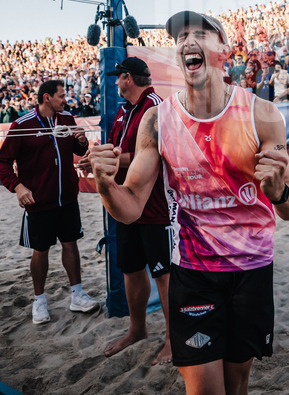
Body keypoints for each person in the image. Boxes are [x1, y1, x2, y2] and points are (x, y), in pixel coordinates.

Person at [89, 11, 289, 395]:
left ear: (223, 50)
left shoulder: (262, 114)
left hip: (251, 271)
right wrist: (105, 185)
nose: (188, 40)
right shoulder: (158, 120)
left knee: (237, 383)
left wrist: (279, 193)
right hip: (193, 273)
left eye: (200, 33)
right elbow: (133, 205)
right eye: (181, 35)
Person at [87, 57, 172, 365]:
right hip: (126, 202)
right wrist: (97, 157)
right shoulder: (125, 111)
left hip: (155, 207)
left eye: (118, 77)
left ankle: (172, 339)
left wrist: (106, 159)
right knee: (132, 269)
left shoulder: (156, 107)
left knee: (165, 275)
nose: (115, 83)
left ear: (128, 78)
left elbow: (153, 155)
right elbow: (117, 152)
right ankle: (138, 330)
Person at [0, 79, 99, 325]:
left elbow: (75, 148)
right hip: (38, 201)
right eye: (61, 96)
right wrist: (18, 187)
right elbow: (2, 162)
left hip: (67, 198)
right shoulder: (22, 125)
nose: (66, 100)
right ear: (46, 98)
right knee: (40, 250)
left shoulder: (66, 119)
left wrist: (82, 142)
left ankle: (77, 294)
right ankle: (39, 300)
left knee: (70, 244)